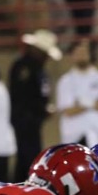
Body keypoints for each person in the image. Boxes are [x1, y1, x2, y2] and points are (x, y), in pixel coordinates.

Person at [9, 29, 62, 183]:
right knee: (29, 157)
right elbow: (23, 96)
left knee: (29, 157)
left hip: (34, 121)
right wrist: (41, 109)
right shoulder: (23, 67)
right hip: (25, 121)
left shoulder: (38, 69)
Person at [56, 38, 98, 148]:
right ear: (72, 56)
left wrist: (82, 103)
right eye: (78, 53)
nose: (81, 56)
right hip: (75, 137)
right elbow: (68, 110)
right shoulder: (65, 81)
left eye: (84, 52)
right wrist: (95, 103)